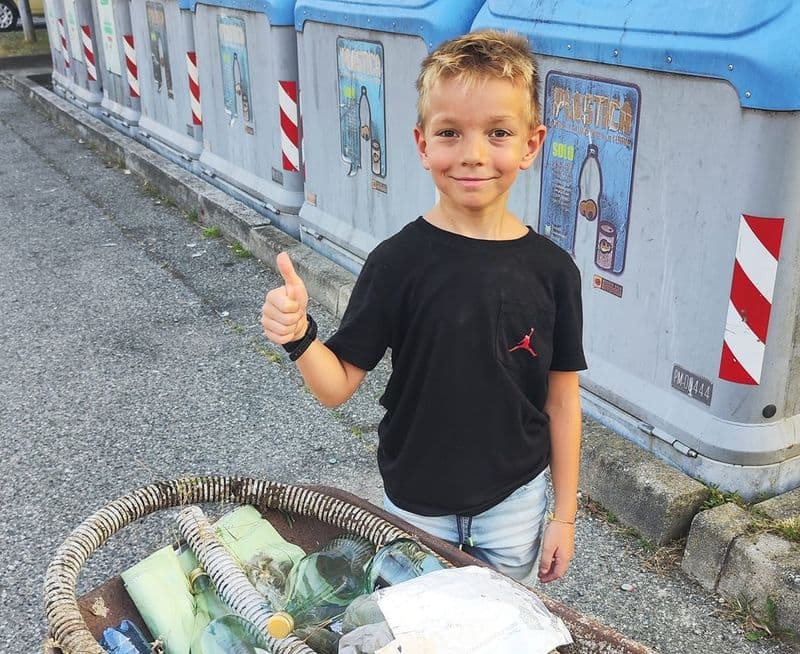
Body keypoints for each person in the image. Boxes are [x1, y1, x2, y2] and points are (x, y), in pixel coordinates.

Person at [261, 29, 586, 583]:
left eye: (499, 132)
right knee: (419, 629)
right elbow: (336, 385)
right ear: (422, 143)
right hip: (414, 504)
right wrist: (298, 336)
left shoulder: (554, 271)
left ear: (532, 145)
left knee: (503, 629)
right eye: (451, 133)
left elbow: (562, 401)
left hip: (516, 506)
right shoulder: (396, 262)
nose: (474, 154)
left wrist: (565, 516)